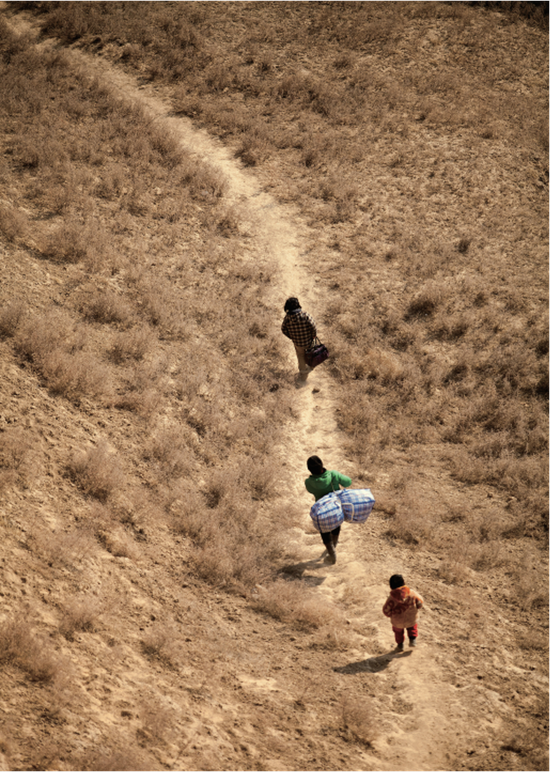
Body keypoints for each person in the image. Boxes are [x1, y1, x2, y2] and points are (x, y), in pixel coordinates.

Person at [305, 455, 352, 564]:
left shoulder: (308, 482)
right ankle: (334, 543)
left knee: (324, 530)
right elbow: (348, 482)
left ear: (310, 470)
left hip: (321, 511)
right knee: (336, 523)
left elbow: (310, 490)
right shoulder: (333, 475)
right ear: (322, 465)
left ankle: (331, 552)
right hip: (336, 508)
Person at [382, 574, 424, 651]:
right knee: (412, 627)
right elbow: (420, 602)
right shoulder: (412, 593)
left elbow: (386, 611)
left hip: (397, 621)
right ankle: (412, 639)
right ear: (404, 582)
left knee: (398, 632)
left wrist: (391, 615)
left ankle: (400, 645)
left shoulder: (391, 598)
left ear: (391, 586)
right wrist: (417, 607)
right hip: (411, 618)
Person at [281, 297, 317, 381]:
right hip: (309, 340)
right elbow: (313, 326)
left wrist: (291, 336)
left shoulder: (287, 319)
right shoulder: (305, 315)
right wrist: (313, 335)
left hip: (297, 342)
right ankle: (311, 367)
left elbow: (283, 329)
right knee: (311, 353)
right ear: (298, 305)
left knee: (300, 356)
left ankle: (303, 373)